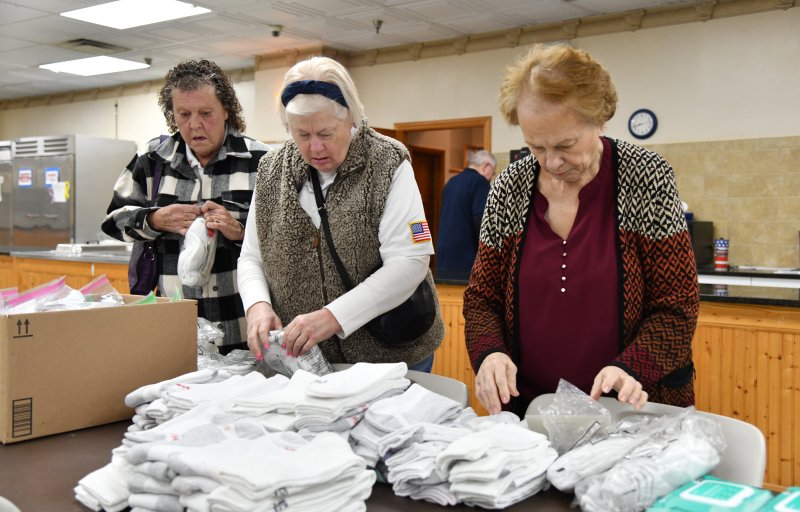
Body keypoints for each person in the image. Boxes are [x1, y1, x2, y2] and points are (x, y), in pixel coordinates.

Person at [464, 44, 698, 415]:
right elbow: (482, 299)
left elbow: (676, 306)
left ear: (600, 119)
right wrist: (489, 352)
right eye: (536, 146)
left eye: (566, 144)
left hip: (631, 410)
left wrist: (631, 366)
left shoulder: (646, 176)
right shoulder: (509, 187)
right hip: (530, 412)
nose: (552, 162)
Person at [237, 56, 444, 372]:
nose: (315, 148)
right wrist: (257, 306)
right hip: (309, 362)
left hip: (389, 353)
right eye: (302, 135)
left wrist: (331, 318)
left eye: (325, 132)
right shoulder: (271, 169)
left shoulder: (387, 162)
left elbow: (410, 262)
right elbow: (252, 257)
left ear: (351, 119)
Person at [102, 59, 271, 354]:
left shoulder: (262, 161)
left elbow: (288, 238)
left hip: (241, 323)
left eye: (206, 113)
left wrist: (240, 230)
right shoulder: (152, 159)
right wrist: (154, 220)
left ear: (227, 110)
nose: (194, 125)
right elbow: (114, 221)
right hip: (172, 325)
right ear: (173, 115)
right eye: (184, 114)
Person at [435, 150, 496, 281]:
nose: (491, 177)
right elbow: (481, 220)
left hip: (443, 253)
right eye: (493, 172)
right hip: (466, 255)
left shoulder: (451, 182)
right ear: (486, 166)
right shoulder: (480, 182)